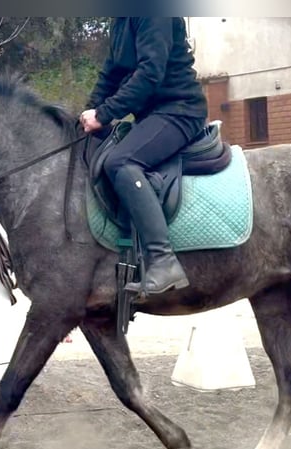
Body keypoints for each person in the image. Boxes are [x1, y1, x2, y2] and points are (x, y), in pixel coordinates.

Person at [80, 17, 208, 296]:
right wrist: (88, 115)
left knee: (121, 161)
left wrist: (105, 113)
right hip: (151, 115)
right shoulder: (121, 19)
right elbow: (111, 74)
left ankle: (163, 260)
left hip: (179, 109)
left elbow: (150, 72)